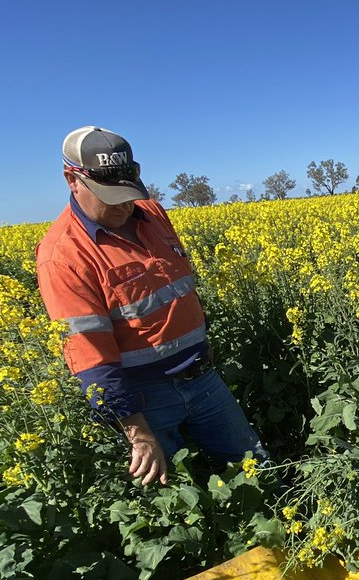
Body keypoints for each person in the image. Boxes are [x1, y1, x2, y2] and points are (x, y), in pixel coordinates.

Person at [36, 126, 265, 486]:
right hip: (147, 400)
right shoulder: (62, 256)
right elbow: (89, 357)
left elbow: (177, 291)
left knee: (257, 469)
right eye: (109, 195)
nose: (124, 205)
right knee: (174, 494)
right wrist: (137, 432)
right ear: (72, 179)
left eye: (128, 192)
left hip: (203, 376)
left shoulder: (152, 213)